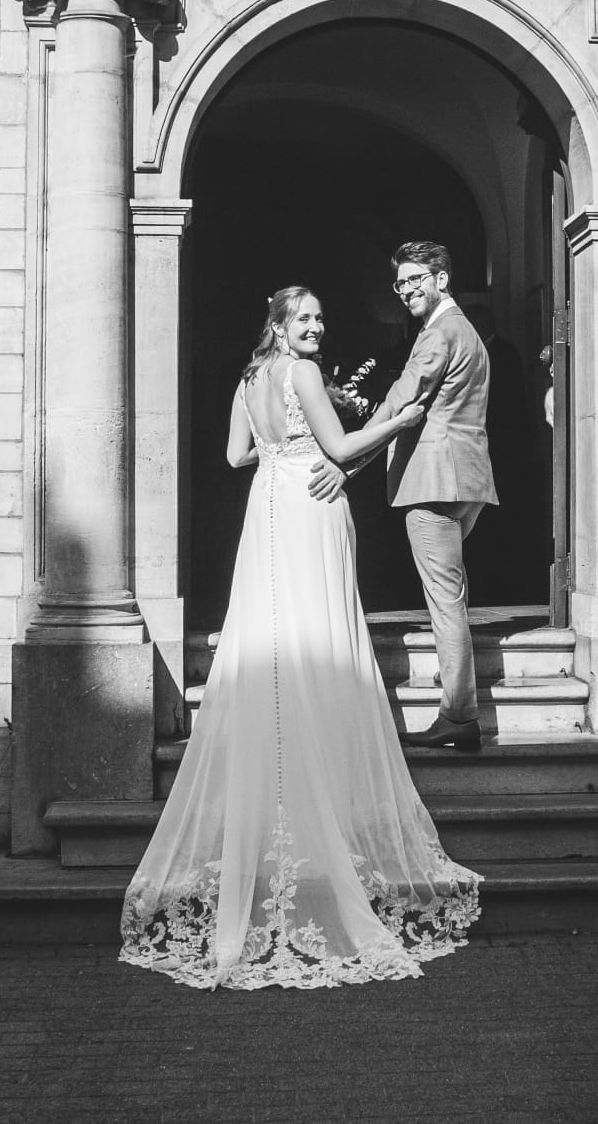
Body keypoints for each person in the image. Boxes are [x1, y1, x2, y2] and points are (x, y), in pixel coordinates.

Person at [120, 286, 481, 990]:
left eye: (321, 317)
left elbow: (232, 457)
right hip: (312, 507)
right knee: (316, 640)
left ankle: (285, 804)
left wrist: (278, 452)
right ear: (280, 327)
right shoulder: (302, 374)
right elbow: (343, 446)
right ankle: (321, 816)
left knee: (273, 644)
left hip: (270, 506)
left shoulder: (250, 376)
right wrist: (397, 419)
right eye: (305, 319)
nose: (316, 327)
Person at [311, 245, 497, 750]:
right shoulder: (468, 333)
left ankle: (459, 715)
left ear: (442, 277)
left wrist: (346, 460)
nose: (408, 290)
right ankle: (458, 702)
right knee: (450, 595)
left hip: (434, 480)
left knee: (445, 602)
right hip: (466, 479)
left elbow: (402, 398)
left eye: (418, 279)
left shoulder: (439, 333)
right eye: (401, 283)